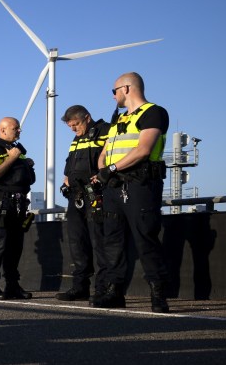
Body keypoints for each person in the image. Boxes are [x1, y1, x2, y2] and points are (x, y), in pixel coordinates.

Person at [93, 72, 171, 313]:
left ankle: (158, 295)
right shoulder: (117, 120)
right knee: (113, 242)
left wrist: (112, 169)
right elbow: (104, 153)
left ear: (126, 88)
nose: (113, 95)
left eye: (114, 90)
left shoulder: (154, 112)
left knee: (145, 238)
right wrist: (104, 171)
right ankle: (115, 292)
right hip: (114, 188)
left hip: (140, 185)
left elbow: (143, 150)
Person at [55, 105, 110, 302]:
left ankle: (103, 288)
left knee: (100, 242)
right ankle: (80, 287)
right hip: (76, 196)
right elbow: (70, 165)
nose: (73, 129)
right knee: (77, 242)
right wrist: (67, 179)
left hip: (96, 195)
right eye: (70, 126)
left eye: (76, 124)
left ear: (87, 117)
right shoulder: (77, 138)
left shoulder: (106, 131)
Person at [0, 117, 36, 300]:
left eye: (19, 128)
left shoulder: (18, 150)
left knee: (15, 247)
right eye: (15, 128)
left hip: (19, 205)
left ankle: (12, 285)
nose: (19, 131)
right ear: (3, 130)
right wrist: (11, 159)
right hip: (3, 204)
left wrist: (26, 164)